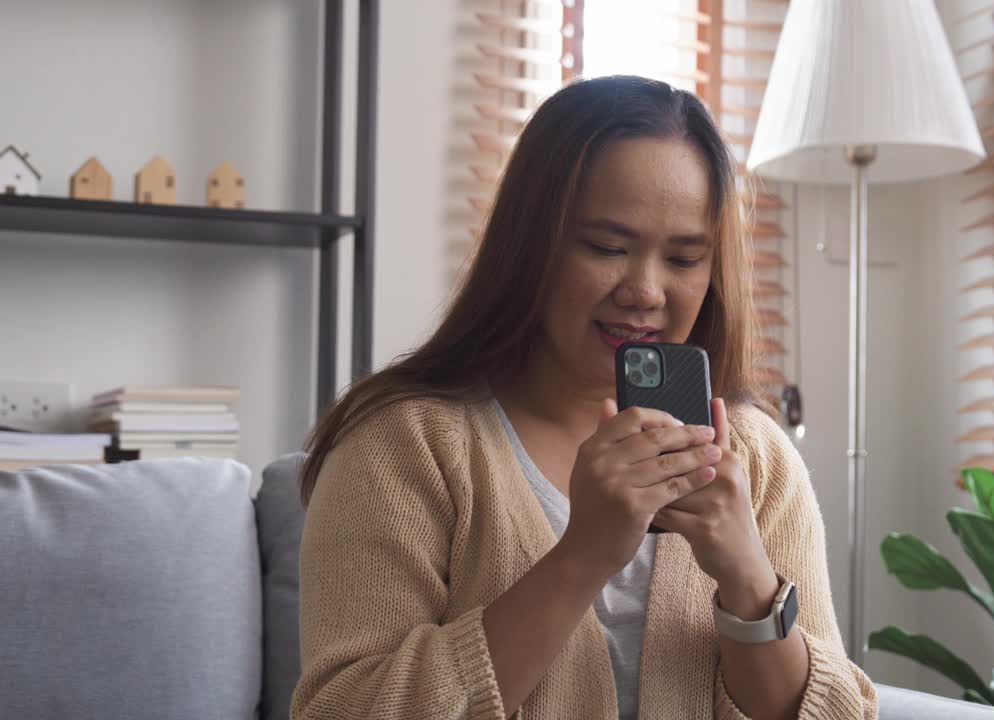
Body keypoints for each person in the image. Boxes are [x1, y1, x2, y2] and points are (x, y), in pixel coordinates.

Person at [290, 75, 876, 720]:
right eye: (607, 247)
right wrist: (585, 553)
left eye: (684, 259)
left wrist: (749, 581)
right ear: (530, 243)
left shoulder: (755, 455)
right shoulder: (404, 445)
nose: (646, 290)